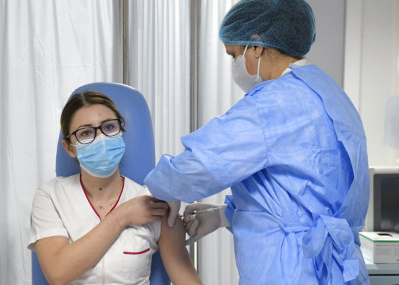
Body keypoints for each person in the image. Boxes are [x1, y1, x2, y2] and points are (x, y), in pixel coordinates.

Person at [144, 0, 370, 284]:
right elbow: (302, 192)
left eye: (234, 55)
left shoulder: (274, 103)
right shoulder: (331, 94)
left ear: (256, 46)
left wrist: (164, 186)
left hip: (291, 270)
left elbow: (201, 164)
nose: (235, 64)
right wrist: (225, 215)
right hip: (339, 269)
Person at [28, 91, 202, 285]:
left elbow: (186, 279)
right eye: (86, 132)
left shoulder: (154, 202)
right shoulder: (51, 197)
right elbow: (58, 273)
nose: (101, 138)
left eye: (109, 127)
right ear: (69, 147)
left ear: (121, 131)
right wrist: (122, 216)